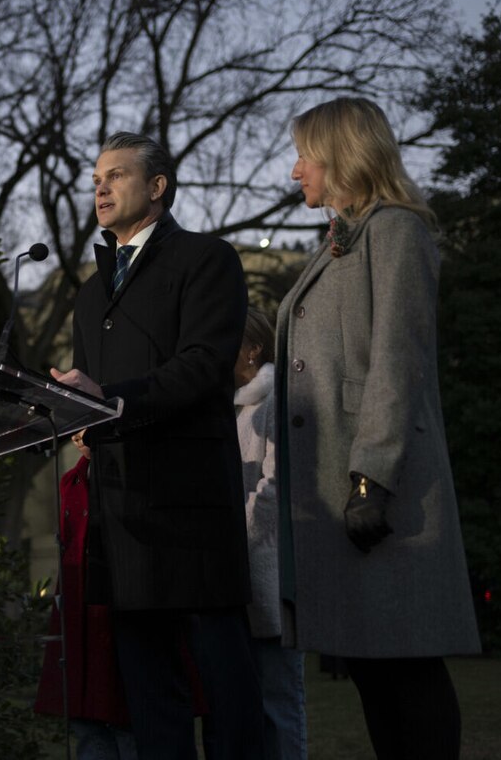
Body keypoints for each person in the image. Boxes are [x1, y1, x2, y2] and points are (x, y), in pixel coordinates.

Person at [276, 97, 481, 760]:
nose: (294, 170)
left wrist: (372, 476)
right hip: (344, 486)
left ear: (341, 156)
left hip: (376, 490)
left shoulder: (394, 229)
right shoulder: (347, 237)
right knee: (376, 670)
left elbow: (398, 358)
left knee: (405, 669)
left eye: (305, 154)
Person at [51, 131, 262, 759]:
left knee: (226, 689)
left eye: (116, 175)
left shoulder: (205, 259)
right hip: (123, 516)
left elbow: (202, 366)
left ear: (157, 187)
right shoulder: (90, 294)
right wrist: (72, 413)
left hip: (191, 509)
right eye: (96, 179)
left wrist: (111, 401)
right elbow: (87, 388)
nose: (101, 187)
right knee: (150, 697)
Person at [34, 432, 137, 760]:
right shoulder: (72, 479)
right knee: (87, 722)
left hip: (120, 602)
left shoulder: (131, 473)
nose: (80, 436)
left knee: (126, 717)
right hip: (80, 607)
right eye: (76, 429)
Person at [233, 307, 307, 758]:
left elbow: (276, 485)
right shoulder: (239, 403)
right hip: (245, 576)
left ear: (254, 347)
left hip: (269, 571)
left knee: (280, 703)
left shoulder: (276, 397)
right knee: (255, 706)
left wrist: (237, 541)